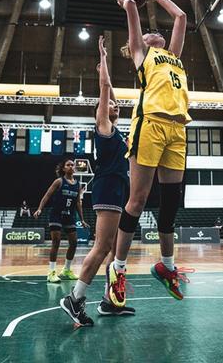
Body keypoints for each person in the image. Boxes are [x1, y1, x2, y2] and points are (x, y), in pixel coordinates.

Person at [107, 0, 191, 308]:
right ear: (140, 44)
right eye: (146, 33)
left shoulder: (174, 57)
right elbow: (130, 10)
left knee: (170, 206)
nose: (154, 32)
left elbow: (182, 17)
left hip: (178, 131)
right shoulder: (143, 56)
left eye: (156, 32)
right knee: (138, 201)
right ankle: (118, 270)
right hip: (150, 125)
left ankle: (166, 267)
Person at [60, 37, 135, 327]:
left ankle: (111, 301)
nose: (115, 105)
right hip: (107, 185)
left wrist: (108, 82)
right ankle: (75, 298)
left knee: (116, 251)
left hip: (118, 186)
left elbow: (111, 93)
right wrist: (103, 59)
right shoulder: (103, 126)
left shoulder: (116, 130)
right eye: (109, 105)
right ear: (101, 111)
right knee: (103, 247)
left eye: (116, 104)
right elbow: (105, 90)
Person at [34, 159, 89, 283]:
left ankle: (66, 270)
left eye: (72, 165)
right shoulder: (59, 181)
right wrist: (39, 209)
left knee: (74, 243)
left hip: (69, 215)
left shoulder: (78, 184)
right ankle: (51, 272)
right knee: (56, 242)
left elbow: (77, 203)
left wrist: (82, 219)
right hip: (56, 214)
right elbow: (47, 195)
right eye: (68, 165)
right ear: (63, 169)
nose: (71, 167)